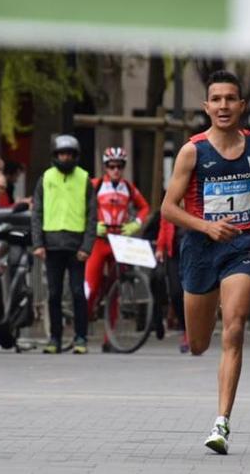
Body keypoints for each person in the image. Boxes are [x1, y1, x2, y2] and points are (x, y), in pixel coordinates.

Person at [160, 70, 250, 455]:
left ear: (241, 106)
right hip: (199, 248)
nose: (224, 106)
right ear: (206, 106)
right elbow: (168, 209)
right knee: (197, 344)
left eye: (231, 99)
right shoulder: (192, 151)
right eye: (217, 99)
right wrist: (206, 227)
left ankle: (221, 422)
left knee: (236, 328)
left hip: (240, 246)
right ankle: (202, 335)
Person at [31, 134, 96, 355]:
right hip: (51, 245)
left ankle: (80, 338)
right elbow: (37, 213)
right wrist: (38, 243)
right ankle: (55, 338)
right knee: (54, 294)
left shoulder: (84, 179)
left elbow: (91, 216)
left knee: (78, 293)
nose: (65, 158)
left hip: (76, 246)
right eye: (61, 154)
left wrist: (87, 246)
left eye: (69, 154)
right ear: (55, 155)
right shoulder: (46, 178)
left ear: (75, 156)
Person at [85, 146, 150, 352]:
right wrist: (92, 224)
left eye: (119, 166)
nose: (115, 170)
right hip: (99, 240)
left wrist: (135, 224)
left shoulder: (128, 188)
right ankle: (82, 326)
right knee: (92, 287)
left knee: (116, 290)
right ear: (105, 167)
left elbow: (145, 207)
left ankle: (108, 339)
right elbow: (80, 207)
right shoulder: (95, 185)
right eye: (111, 166)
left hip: (119, 241)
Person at [154, 213, 188, 353]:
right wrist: (160, 247)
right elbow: (164, 224)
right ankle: (185, 328)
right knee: (175, 293)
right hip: (173, 252)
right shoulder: (170, 199)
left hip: (193, 250)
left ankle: (193, 331)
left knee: (192, 292)